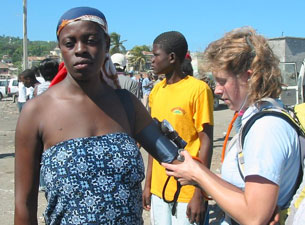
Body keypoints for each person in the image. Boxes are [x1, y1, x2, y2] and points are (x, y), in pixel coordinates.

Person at [15, 7, 181, 225]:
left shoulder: (127, 105)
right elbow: (24, 204)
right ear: (61, 49)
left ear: (107, 45)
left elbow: (176, 161)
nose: (80, 49)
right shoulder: (36, 112)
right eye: (69, 43)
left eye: (90, 40)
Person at [162, 27, 301, 225]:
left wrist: (198, 174)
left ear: (250, 77)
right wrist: (198, 175)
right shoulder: (258, 117)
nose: (217, 90)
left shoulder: (266, 128)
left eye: (222, 81)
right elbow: (247, 189)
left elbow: (254, 217)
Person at [142, 31, 214, 225]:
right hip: (159, 190)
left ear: (172, 57)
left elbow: (206, 143)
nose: (152, 60)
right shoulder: (156, 90)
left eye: (156, 55)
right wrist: (148, 185)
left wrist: (199, 192)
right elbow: (153, 142)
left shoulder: (198, 90)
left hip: (188, 191)